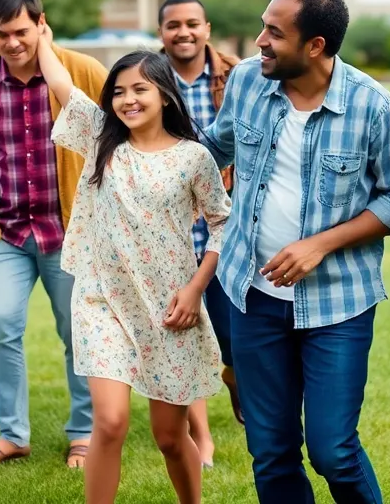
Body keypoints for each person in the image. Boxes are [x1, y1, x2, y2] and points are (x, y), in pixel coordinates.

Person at [200, 0, 390, 504]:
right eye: (262, 26)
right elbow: (215, 146)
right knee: (272, 451)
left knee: (333, 451)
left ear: (315, 46)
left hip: (338, 306)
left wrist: (320, 244)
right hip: (252, 297)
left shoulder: (374, 107)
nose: (259, 40)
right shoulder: (246, 84)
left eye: (274, 33)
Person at [41, 31, 232, 504]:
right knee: (109, 422)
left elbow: (223, 226)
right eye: (119, 91)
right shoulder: (101, 140)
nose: (127, 99)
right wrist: (43, 35)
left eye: (139, 89)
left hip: (169, 306)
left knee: (169, 435)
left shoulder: (193, 157)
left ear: (165, 95)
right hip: (101, 298)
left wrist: (195, 291)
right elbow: (61, 83)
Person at [0, 0, 108, 469]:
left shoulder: (82, 72)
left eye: (21, 31)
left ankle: (83, 433)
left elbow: (119, 135)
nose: (13, 43)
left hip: (69, 233)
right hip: (8, 231)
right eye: (1, 34)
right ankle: (13, 435)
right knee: (1, 323)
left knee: (76, 333)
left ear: (42, 24)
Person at [157, 0, 244, 463]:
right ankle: (201, 438)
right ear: (161, 33)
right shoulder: (147, 80)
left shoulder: (238, 76)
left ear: (207, 28)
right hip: (171, 227)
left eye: (193, 23)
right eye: (173, 25)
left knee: (231, 338)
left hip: (226, 227)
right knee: (185, 334)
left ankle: (232, 379)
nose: (183, 32)